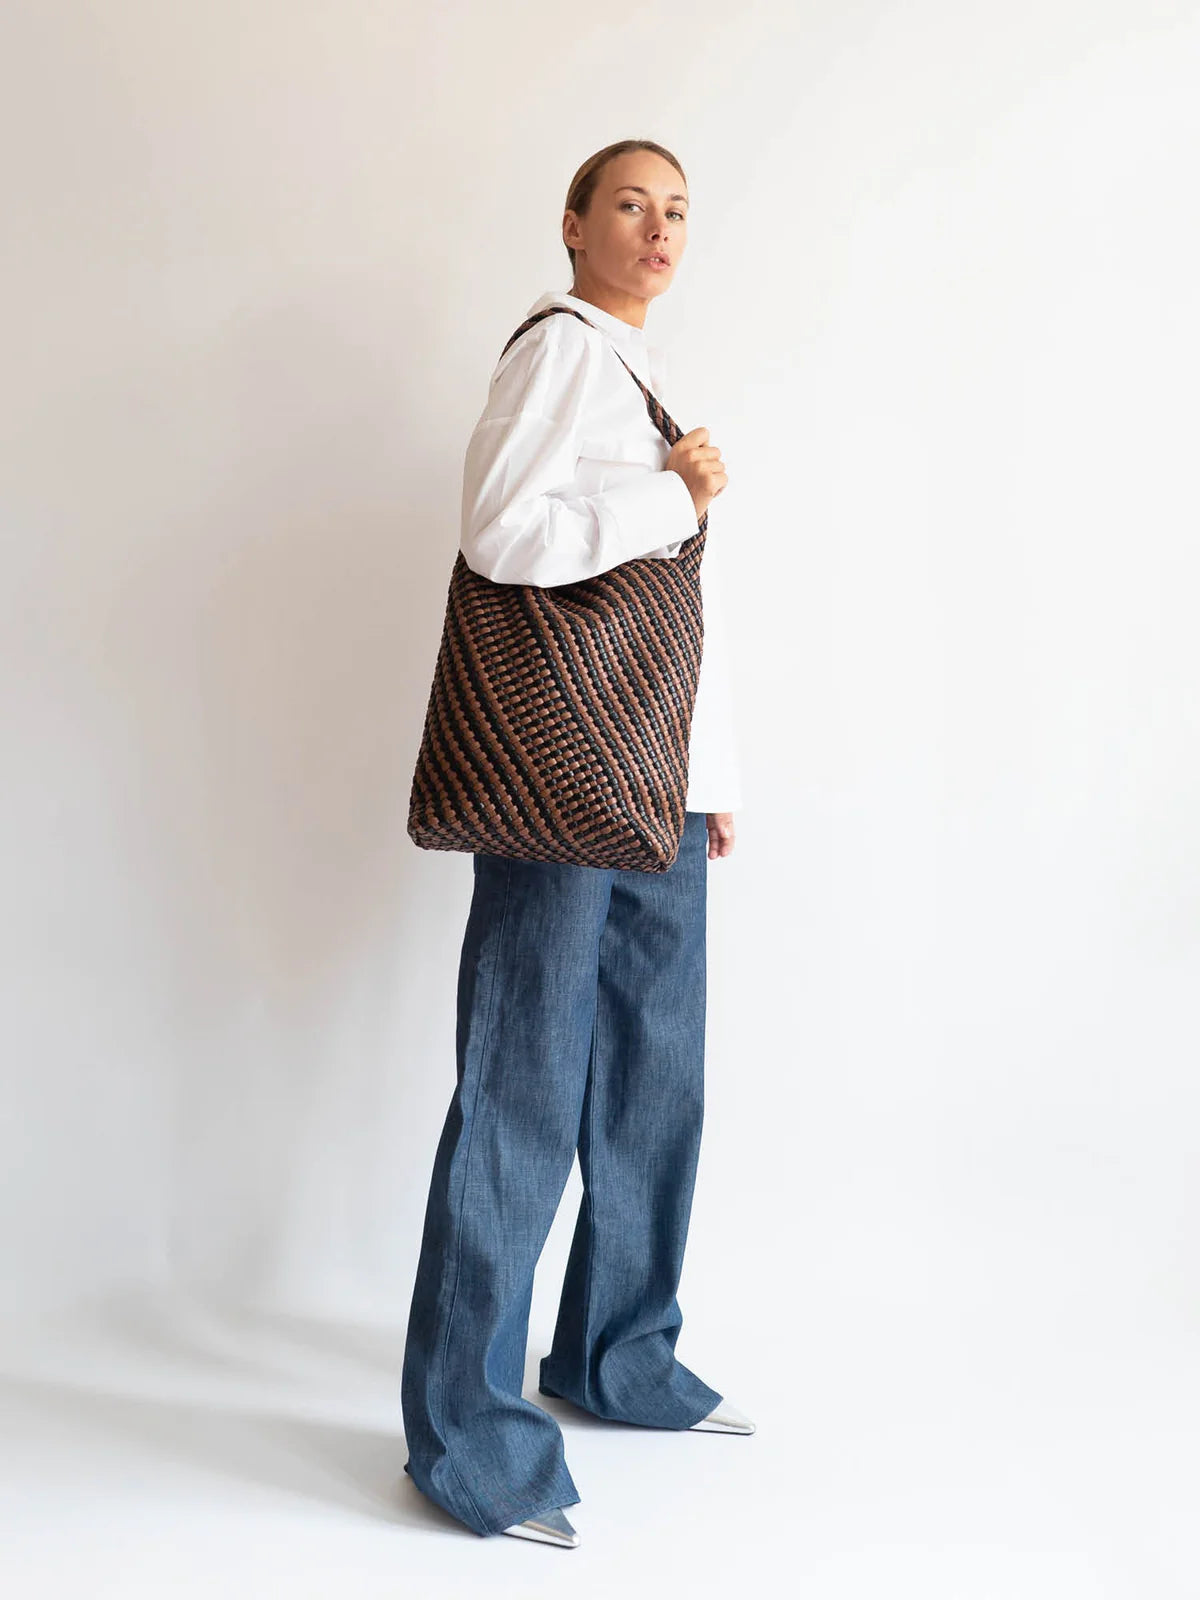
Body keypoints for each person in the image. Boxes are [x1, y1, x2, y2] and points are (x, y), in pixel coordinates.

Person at [400, 139, 754, 1550]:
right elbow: (500, 534)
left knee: (656, 1081)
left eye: (678, 212)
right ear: (573, 223)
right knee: (524, 1089)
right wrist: (675, 494)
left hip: (655, 792)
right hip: (561, 788)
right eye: (630, 204)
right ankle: (471, 1444)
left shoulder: (642, 376)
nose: (659, 229)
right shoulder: (558, 351)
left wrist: (711, 776)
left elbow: (662, 626)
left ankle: (619, 1356)